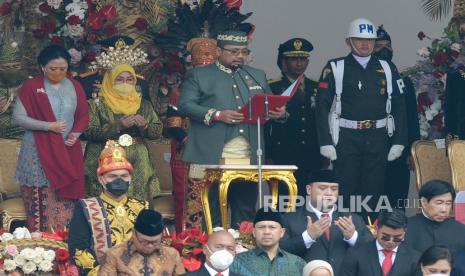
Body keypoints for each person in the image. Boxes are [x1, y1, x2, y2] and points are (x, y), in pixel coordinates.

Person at [178, 30, 287, 226]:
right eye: (234, 51)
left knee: (245, 211)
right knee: (213, 212)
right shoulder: (199, 75)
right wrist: (219, 114)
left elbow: (269, 104)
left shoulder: (256, 75)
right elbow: (186, 105)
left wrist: (279, 113)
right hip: (212, 154)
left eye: (244, 52)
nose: (240, 56)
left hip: (250, 153)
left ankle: (243, 251)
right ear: (218, 51)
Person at [315, 18, 407, 221]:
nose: (366, 44)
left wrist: (399, 141)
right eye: (359, 39)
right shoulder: (336, 67)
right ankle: (345, 233)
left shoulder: (387, 67)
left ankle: (368, 234)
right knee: (345, 190)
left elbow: (400, 107)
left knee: (373, 191)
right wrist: (326, 142)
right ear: (348, 41)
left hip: (378, 137)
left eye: (370, 40)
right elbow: (321, 107)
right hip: (346, 137)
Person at [13, 44, 89, 232]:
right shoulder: (32, 86)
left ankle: (66, 243)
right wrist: (48, 126)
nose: (58, 72)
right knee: (41, 195)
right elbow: (18, 118)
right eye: (53, 69)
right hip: (38, 149)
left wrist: (75, 133)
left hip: (67, 148)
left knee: (67, 198)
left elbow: (83, 115)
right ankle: (42, 242)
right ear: (42, 67)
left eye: (63, 69)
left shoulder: (75, 86)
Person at [83, 41, 163, 201]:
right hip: (103, 156)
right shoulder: (95, 105)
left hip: (138, 159)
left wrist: (145, 126)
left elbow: (157, 132)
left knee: (139, 204)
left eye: (129, 79)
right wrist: (118, 126)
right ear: (109, 81)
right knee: (106, 204)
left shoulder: (143, 104)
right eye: (119, 80)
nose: (125, 84)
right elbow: (89, 131)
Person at [68, 140, 148, 276]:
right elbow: (79, 249)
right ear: (101, 179)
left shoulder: (142, 207)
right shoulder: (86, 208)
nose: (119, 180)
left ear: (130, 179)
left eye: (124, 176)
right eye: (112, 176)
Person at [167, 37, 218, 232]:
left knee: (213, 199)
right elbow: (173, 123)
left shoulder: (223, 91)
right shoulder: (180, 91)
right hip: (187, 154)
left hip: (215, 154)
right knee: (185, 200)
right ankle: (187, 245)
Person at [280, 169, 373, 275]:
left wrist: (353, 237)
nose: (329, 193)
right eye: (322, 188)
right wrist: (307, 237)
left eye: (334, 189)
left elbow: (374, 251)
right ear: (309, 189)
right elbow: (279, 253)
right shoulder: (290, 220)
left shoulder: (353, 219)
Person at [266, 38, 323, 196]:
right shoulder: (272, 86)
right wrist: (267, 155)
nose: (299, 63)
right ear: (284, 62)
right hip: (283, 154)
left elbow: (323, 121)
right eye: (294, 59)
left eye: (303, 59)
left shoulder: (316, 86)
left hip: (312, 154)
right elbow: (265, 125)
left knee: (311, 200)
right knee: (283, 200)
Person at [373, 25, 420, 209]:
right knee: (372, 200)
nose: (384, 50)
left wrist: (412, 150)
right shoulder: (360, 80)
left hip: (399, 150)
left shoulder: (403, 80)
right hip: (371, 150)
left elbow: (411, 117)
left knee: (397, 199)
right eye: (379, 46)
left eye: (387, 45)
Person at [98, 209, 185, 275]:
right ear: (133, 233)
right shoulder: (114, 254)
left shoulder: (172, 254)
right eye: (144, 242)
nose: (150, 246)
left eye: (155, 242)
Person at [341, 208, 421, 276]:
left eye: (397, 238)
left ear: (404, 232)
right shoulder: (355, 254)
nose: (391, 241)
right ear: (376, 229)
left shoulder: (415, 258)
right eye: (385, 237)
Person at [230, 208, 306, 275]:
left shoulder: (297, 263)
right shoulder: (238, 261)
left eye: (272, 227)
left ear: (282, 232)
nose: (266, 232)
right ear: (253, 232)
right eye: (261, 227)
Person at [404, 180, 465, 259]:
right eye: (439, 203)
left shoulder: (460, 229)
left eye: (448, 203)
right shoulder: (406, 227)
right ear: (424, 202)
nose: (444, 209)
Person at [0, 36, 26, 139]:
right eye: (6, 67)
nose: (11, 70)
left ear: (21, 65)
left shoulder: (30, 85)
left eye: (15, 66)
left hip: (24, 136)